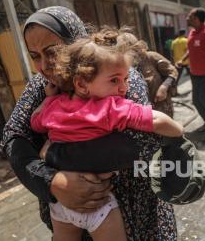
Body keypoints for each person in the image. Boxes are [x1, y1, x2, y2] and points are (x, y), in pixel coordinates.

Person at [0, 6, 178, 240]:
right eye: (35, 56)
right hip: (69, 220)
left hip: (136, 216)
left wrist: (53, 153)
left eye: (52, 52)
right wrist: (51, 181)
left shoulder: (116, 77)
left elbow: (140, 143)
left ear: (76, 42)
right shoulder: (40, 88)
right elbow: (13, 137)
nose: (43, 66)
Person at [31, 37, 184, 240]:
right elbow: (155, 120)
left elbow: (35, 122)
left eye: (126, 79)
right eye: (114, 80)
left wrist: (48, 99)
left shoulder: (55, 105)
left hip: (61, 204)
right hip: (99, 204)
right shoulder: (110, 107)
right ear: (82, 84)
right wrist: (178, 130)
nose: (123, 88)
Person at [113, 32, 178, 117]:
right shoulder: (122, 65)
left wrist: (164, 87)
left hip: (161, 108)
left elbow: (173, 71)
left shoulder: (150, 57)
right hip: (141, 114)